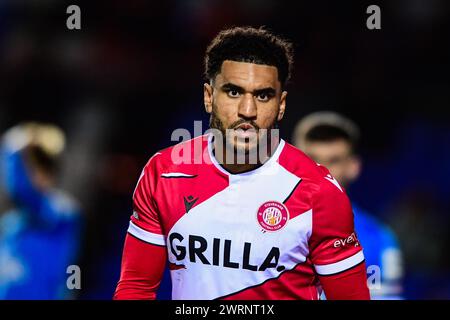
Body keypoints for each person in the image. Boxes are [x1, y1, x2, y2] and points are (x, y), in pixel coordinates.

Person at [114, 27, 369, 300]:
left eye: (263, 95)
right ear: (209, 97)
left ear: (281, 105)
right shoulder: (164, 173)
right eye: (234, 92)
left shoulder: (319, 192)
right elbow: (136, 287)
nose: (248, 111)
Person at [292, 111, 404, 299]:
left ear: (353, 167)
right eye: (311, 159)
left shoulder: (378, 238)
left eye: (333, 160)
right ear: (290, 163)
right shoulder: (260, 224)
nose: (321, 170)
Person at [0, 122, 82, 299]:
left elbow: (21, 188)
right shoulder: (12, 223)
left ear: (49, 174)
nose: (27, 175)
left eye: (32, 168)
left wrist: (14, 144)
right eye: (26, 167)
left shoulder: (61, 214)